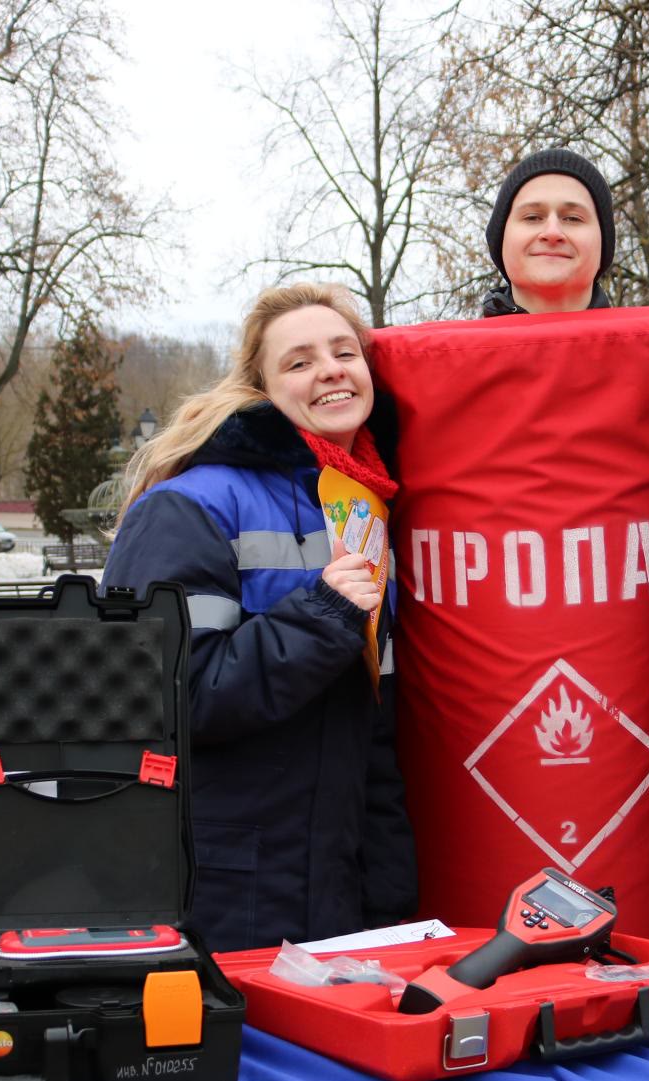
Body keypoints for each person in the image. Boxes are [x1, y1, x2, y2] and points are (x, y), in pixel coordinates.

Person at [103, 283, 416, 952]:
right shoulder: (190, 507)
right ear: (262, 389)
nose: (330, 368)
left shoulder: (366, 511)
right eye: (299, 362)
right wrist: (323, 614)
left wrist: (392, 887)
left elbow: (374, 728)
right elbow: (176, 696)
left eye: (344, 351)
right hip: (222, 890)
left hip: (340, 887)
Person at [480, 147, 616, 317]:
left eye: (573, 218)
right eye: (532, 217)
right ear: (500, 238)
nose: (552, 233)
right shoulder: (451, 343)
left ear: (603, 242)